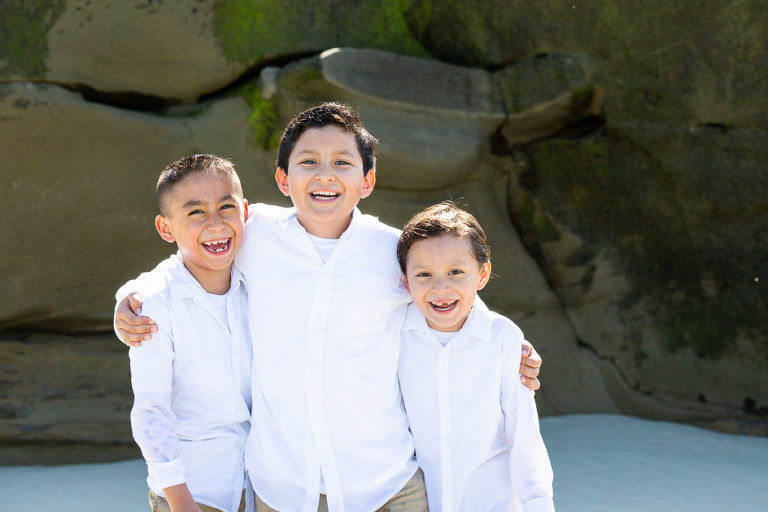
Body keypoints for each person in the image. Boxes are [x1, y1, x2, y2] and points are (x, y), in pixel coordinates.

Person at [115, 103, 543, 512]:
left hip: (386, 485)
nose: (325, 175)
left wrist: (511, 349)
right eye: (308, 162)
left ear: (367, 181)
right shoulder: (250, 233)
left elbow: (449, 290)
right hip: (282, 489)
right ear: (283, 179)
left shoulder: (392, 251)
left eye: (342, 162)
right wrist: (129, 298)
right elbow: (186, 256)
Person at [396, 202, 554, 512]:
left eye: (456, 272)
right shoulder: (394, 336)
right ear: (405, 282)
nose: (441, 288)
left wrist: (538, 503)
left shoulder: (503, 339)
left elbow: (523, 435)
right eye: (424, 274)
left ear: (482, 274)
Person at [126, 155, 251, 512]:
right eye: (195, 212)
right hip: (195, 494)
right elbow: (151, 413)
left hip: (261, 488)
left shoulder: (257, 279)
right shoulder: (152, 304)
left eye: (226, 207)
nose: (216, 224)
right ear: (166, 229)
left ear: (244, 210)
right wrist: (182, 504)